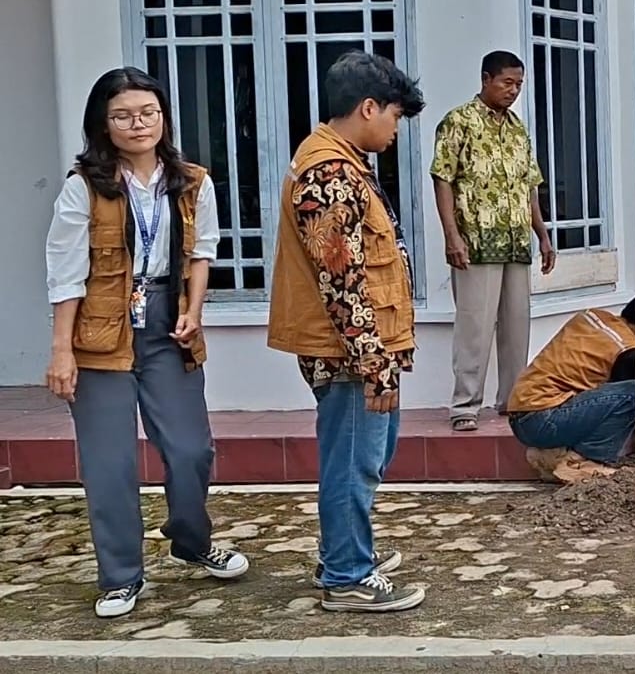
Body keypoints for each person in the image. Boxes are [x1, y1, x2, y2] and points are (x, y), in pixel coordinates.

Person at [43, 67, 248, 618]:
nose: (138, 124)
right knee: (109, 461)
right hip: (99, 327)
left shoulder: (191, 181)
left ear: (163, 117)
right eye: (123, 116)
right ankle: (120, 575)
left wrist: (194, 310)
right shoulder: (83, 186)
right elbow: (65, 273)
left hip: (166, 324)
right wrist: (62, 349)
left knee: (190, 449)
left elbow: (202, 251)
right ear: (104, 125)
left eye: (147, 113)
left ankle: (192, 541)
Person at [266, 51, 427, 613]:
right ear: (367, 107)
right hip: (350, 350)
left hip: (359, 345)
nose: (395, 129)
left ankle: (344, 552)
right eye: (395, 117)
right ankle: (347, 576)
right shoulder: (329, 174)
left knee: (364, 457)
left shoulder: (343, 162)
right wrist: (372, 358)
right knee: (354, 461)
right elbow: (341, 281)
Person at [431, 50, 556, 431]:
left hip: (517, 241)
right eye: (507, 83)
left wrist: (543, 235)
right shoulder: (458, 122)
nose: (514, 91)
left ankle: (513, 400)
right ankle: (465, 406)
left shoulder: (518, 129)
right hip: (476, 244)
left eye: (519, 84)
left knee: (517, 326)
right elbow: (443, 179)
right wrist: (452, 236)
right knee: (475, 326)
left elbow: (530, 185)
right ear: (486, 79)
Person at [505, 294, 635, 484]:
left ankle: (552, 456)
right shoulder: (628, 351)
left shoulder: (591, 316)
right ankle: (584, 462)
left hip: (521, 418)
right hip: (544, 419)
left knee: (606, 396)